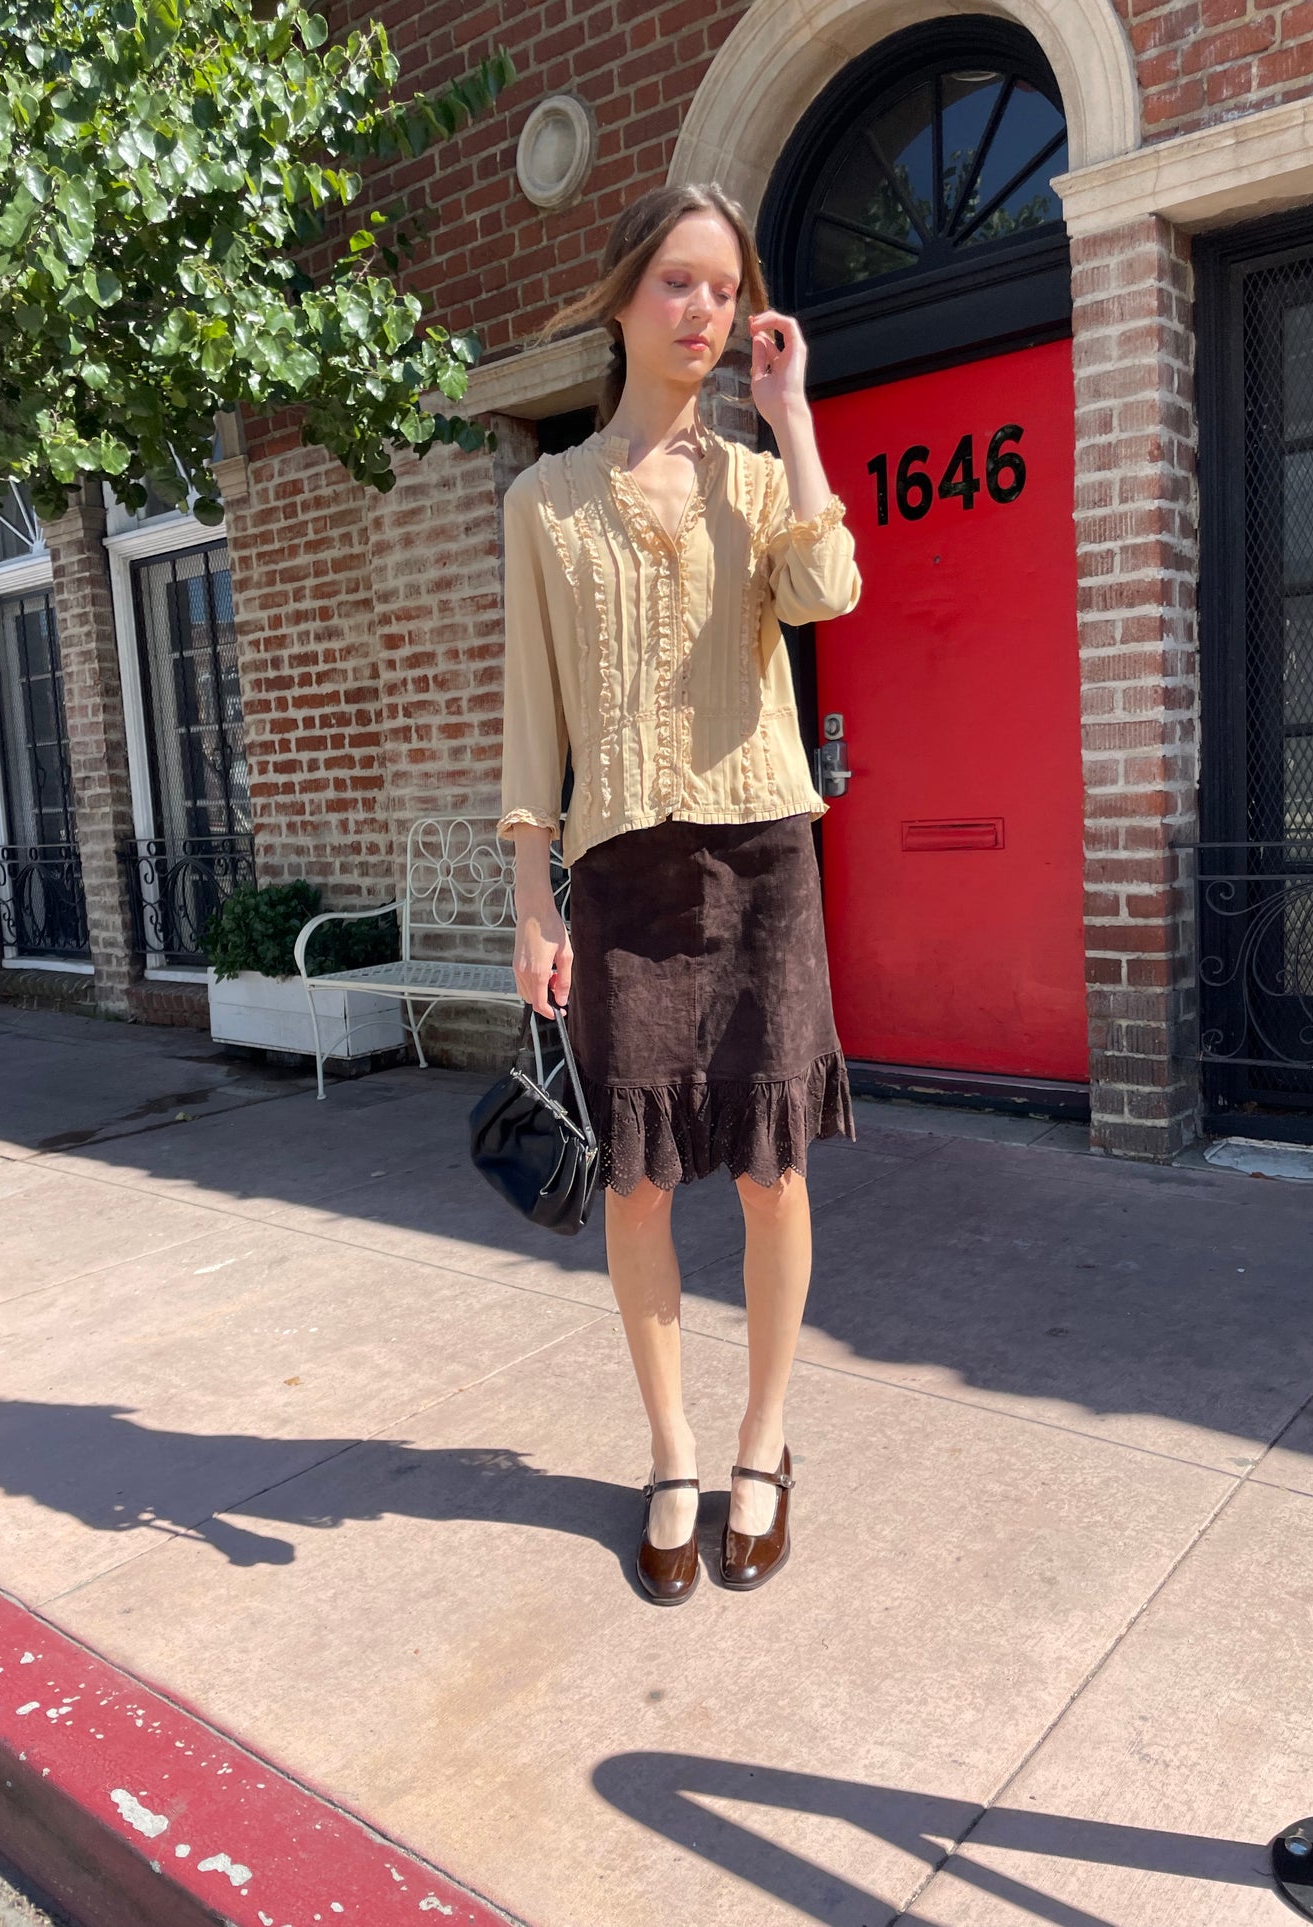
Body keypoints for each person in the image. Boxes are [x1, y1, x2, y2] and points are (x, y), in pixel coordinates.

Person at [495, 181, 862, 1606]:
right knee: (637, 1184)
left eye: (723, 288)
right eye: (676, 285)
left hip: (764, 849)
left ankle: (763, 1447)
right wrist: (533, 897)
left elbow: (827, 589)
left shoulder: (760, 479)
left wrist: (793, 422)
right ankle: (668, 1452)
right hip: (621, 869)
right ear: (619, 297)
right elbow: (532, 714)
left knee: (772, 1172)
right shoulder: (542, 499)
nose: (703, 312)